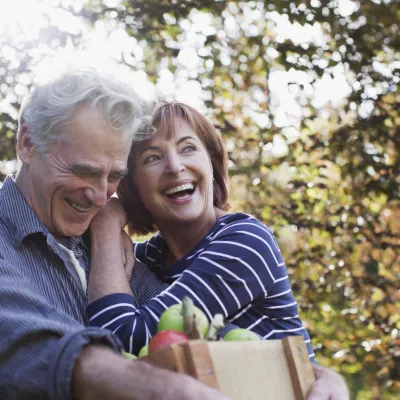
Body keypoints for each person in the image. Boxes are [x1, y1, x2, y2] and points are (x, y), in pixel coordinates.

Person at [87, 102, 349, 400]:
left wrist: (107, 229)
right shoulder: (147, 258)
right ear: (133, 186)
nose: (174, 167)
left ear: (211, 163)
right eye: (152, 158)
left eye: (187, 149)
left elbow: (120, 340)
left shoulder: (245, 242)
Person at [0, 69, 230, 400]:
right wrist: (154, 388)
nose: (99, 197)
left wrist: (306, 369)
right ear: (27, 144)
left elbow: (189, 319)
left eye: (114, 177)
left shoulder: (105, 250)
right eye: (84, 171)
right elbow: (23, 339)